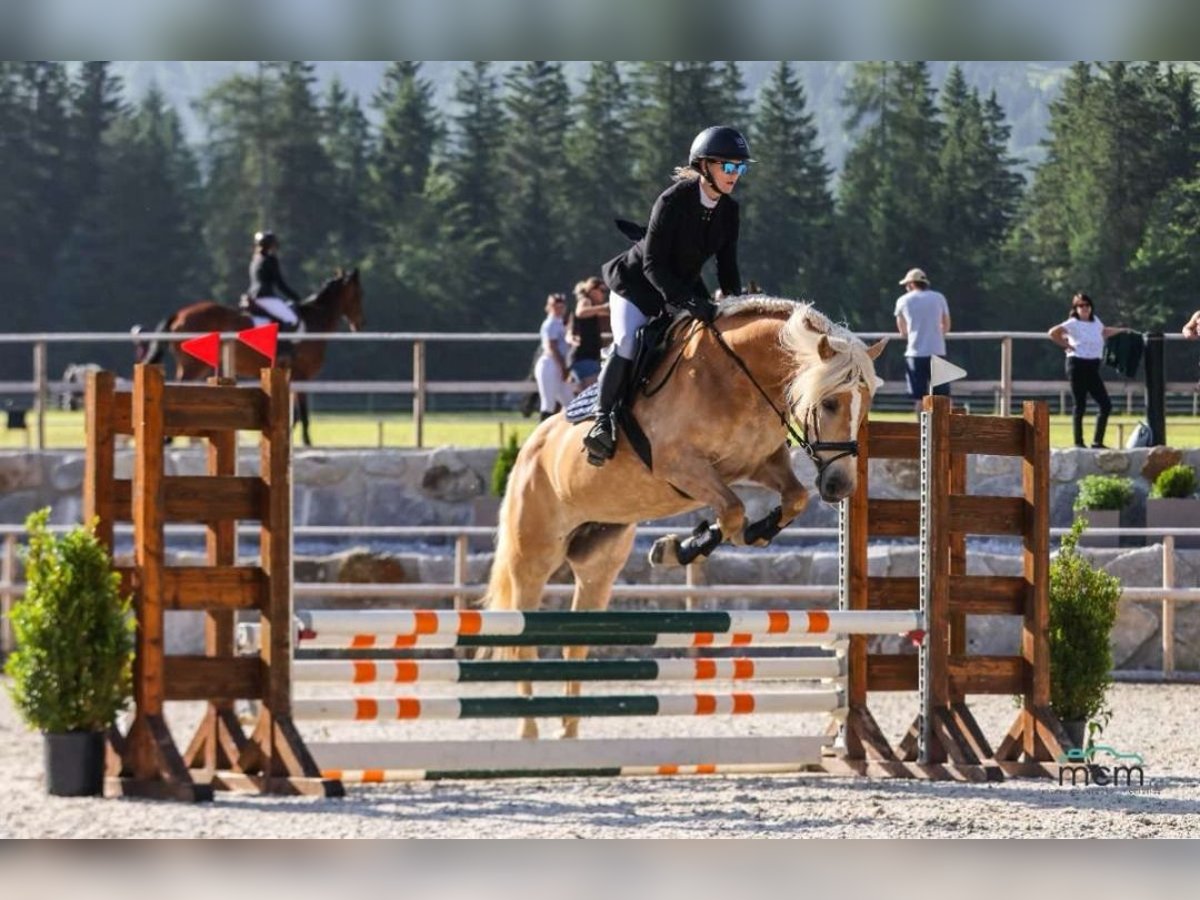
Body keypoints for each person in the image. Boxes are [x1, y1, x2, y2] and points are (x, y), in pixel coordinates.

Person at [582, 125, 750, 465]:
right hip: (636, 285)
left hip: (680, 286)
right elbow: (652, 264)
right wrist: (689, 302)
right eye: (729, 167)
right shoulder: (672, 201)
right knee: (629, 340)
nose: (735, 175)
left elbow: (726, 267)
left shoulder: (729, 211)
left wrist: (735, 305)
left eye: (740, 168)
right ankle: (602, 423)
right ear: (705, 166)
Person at [1048, 292, 1127, 449]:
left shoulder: (1096, 321)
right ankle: (1079, 442)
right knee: (1080, 404)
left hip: (1093, 366)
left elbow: (1104, 331)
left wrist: (1122, 330)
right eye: (1080, 305)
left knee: (1105, 404)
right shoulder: (1073, 323)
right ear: (1075, 308)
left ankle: (1097, 441)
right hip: (1077, 364)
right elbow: (1053, 333)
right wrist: (1067, 345)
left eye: (1087, 305)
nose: (1084, 308)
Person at [893, 267, 952, 412]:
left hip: (915, 353)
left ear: (912, 284)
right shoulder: (939, 297)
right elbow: (946, 324)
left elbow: (902, 330)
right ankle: (949, 428)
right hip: (937, 350)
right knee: (943, 396)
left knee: (919, 397)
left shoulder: (903, 300)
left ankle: (920, 430)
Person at [246, 230, 301, 332]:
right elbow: (280, 284)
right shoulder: (270, 259)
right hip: (266, 298)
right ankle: (280, 347)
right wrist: (296, 297)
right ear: (271, 245)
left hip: (252, 298)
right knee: (292, 319)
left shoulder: (255, 259)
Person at [534, 293, 574, 421]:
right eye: (555, 306)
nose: (559, 309)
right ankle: (542, 436)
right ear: (549, 307)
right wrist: (562, 366)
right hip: (550, 364)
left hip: (558, 365)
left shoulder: (560, 323)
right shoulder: (550, 323)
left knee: (571, 404)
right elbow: (551, 347)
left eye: (561, 306)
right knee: (548, 404)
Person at [568, 276, 610, 390]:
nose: (604, 294)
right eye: (602, 290)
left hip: (585, 359)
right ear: (592, 290)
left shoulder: (592, 307)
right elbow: (580, 312)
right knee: (593, 394)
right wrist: (603, 307)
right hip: (585, 358)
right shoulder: (586, 300)